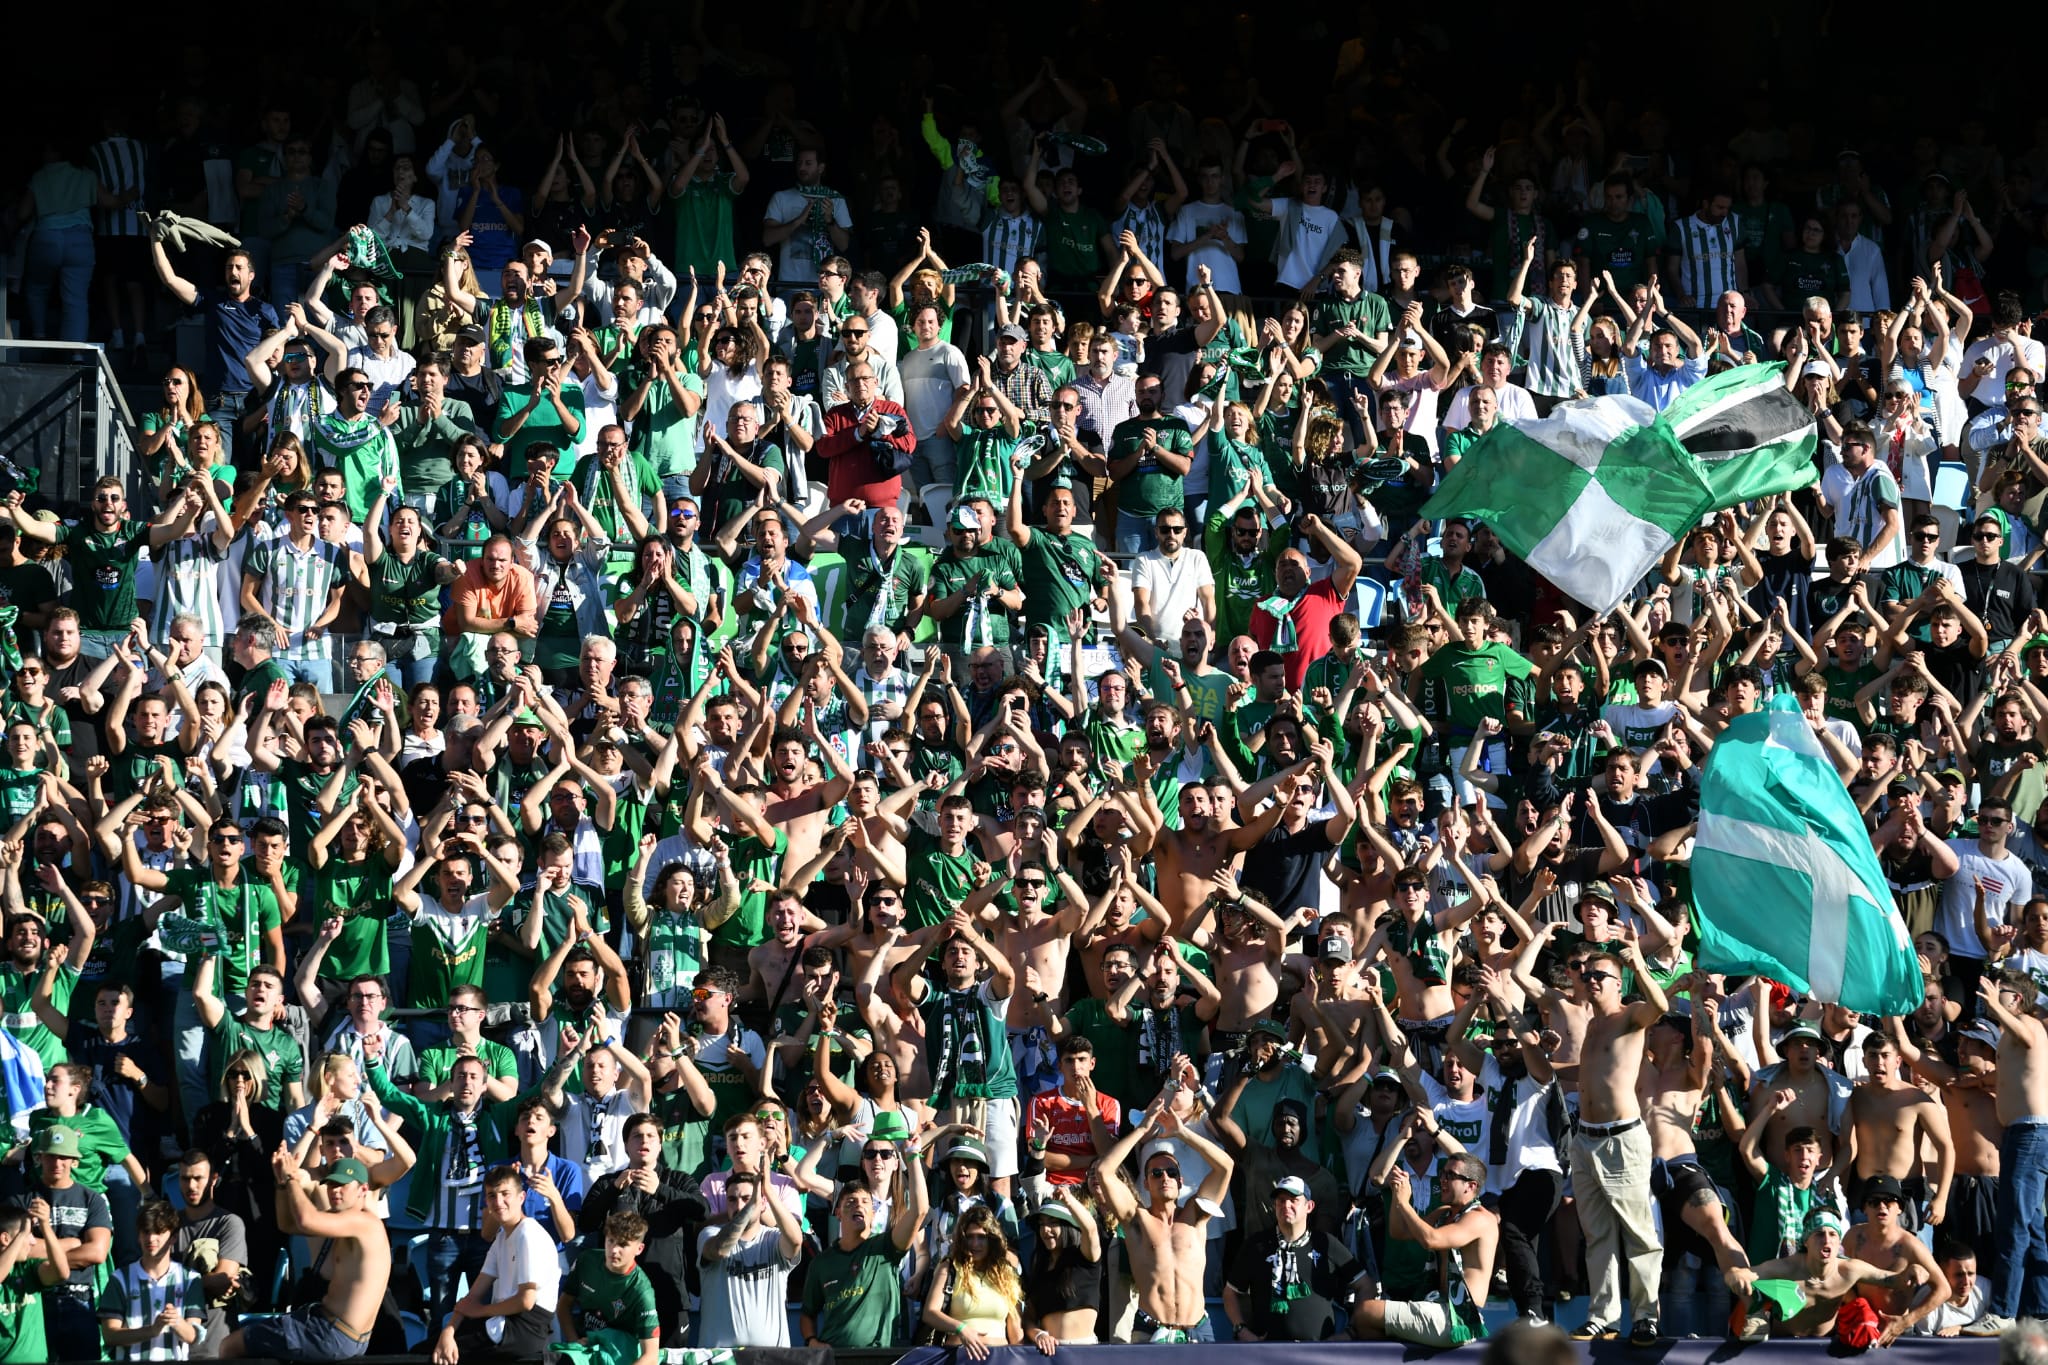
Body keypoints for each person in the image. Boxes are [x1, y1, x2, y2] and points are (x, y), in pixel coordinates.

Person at [1088, 1093, 1235, 1342]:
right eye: (1156, 1173)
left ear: (1180, 1180)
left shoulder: (1195, 1215)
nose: (1164, 1177)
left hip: (1197, 1330)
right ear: (1145, 1183)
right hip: (1150, 1329)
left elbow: (1225, 1166)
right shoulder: (1137, 1219)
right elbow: (1104, 1170)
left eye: (1171, 1172)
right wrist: (1142, 1129)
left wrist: (1182, 1133)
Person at [219, 1151, 388, 1361]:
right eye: (331, 1184)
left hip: (331, 1334)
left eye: (342, 1185)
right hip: (333, 1330)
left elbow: (306, 1220)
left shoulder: (364, 1222)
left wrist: (292, 1178)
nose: (335, 1190)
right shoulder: (346, 1220)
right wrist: (282, 1184)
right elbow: (287, 1225)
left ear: (363, 1189)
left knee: (229, 1346)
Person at [799, 1137, 929, 1349]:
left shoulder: (887, 1244)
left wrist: (914, 1155)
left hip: (892, 1312)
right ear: (838, 1211)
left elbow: (920, 1213)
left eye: (885, 1154)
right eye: (870, 1154)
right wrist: (830, 1136)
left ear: (873, 1212)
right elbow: (807, 1313)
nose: (877, 1159)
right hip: (837, 1348)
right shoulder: (822, 1262)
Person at [431, 1164, 558, 1365]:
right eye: (491, 1195)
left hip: (523, 1330)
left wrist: (480, 1311)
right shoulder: (500, 1239)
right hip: (500, 1321)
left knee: (435, 1357)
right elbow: (472, 1297)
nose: (498, 1202)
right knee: (431, 1348)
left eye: (505, 1194)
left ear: (521, 1197)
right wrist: (448, 1331)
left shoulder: (528, 1234)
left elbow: (526, 1301)